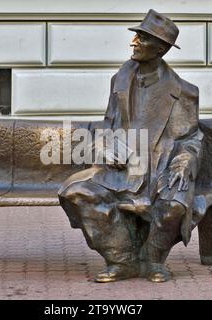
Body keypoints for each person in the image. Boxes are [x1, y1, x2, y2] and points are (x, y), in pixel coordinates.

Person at [58, 9, 203, 283]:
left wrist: (184, 162)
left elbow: (190, 139)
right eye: (136, 36)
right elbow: (107, 124)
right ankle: (121, 259)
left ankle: (152, 260)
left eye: (142, 38)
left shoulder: (184, 92)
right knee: (76, 191)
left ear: (160, 49)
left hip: (161, 169)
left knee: (173, 206)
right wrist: (106, 146)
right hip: (123, 169)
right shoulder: (121, 80)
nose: (133, 42)